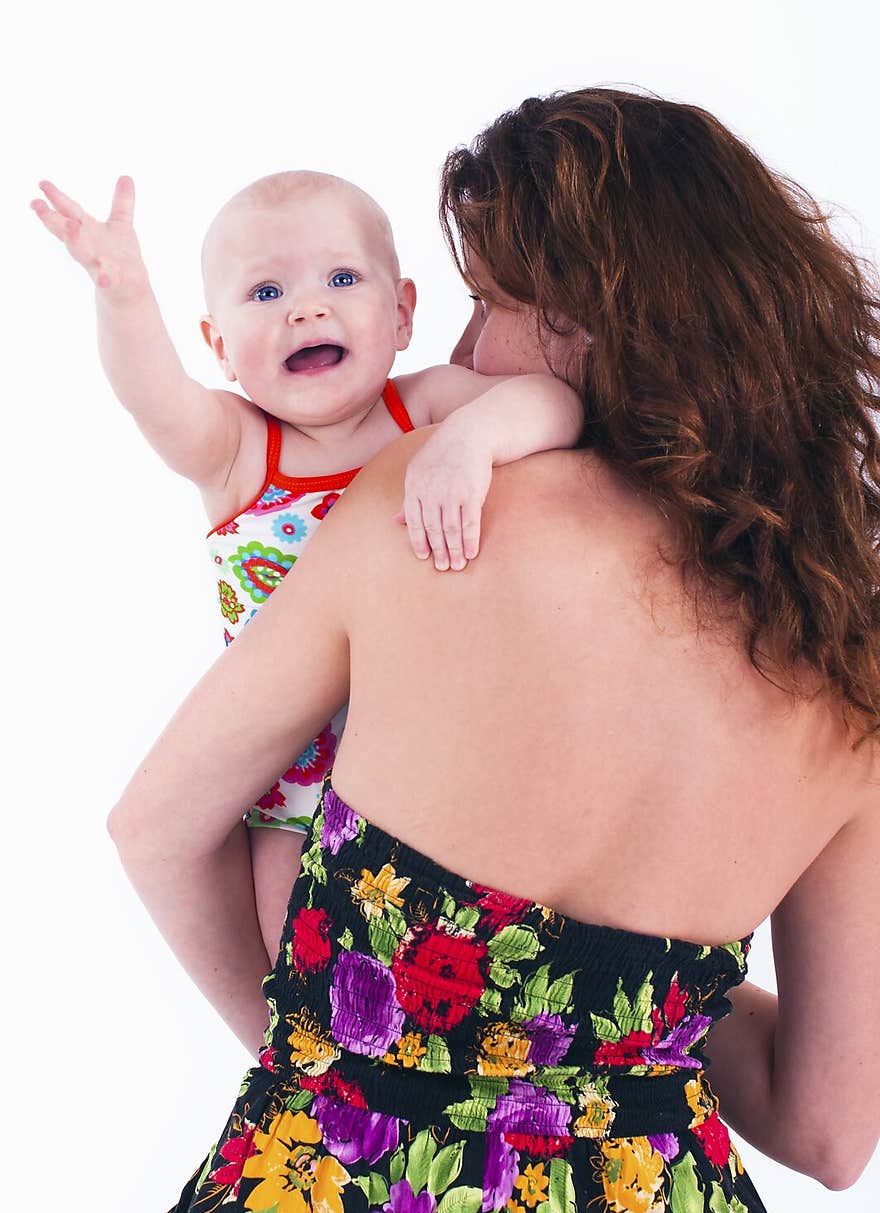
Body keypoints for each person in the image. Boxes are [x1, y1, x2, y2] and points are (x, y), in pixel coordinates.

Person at [105, 88, 880, 1213]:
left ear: (587, 318)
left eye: (488, 302)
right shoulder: (846, 653)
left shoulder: (440, 504)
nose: (457, 353)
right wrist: (620, 992)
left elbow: (158, 825)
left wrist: (302, 1049)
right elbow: (828, 1128)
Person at [30, 170, 582, 963]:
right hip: (291, 784)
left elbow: (553, 404)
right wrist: (124, 299)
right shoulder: (239, 450)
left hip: (438, 755)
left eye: (343, 278)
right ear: (220, 347)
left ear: (401, 315)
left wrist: (471, 441)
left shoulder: (425, 409)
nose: (306, 307)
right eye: (264, 293)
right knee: (300, 964)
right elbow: (153, 396)